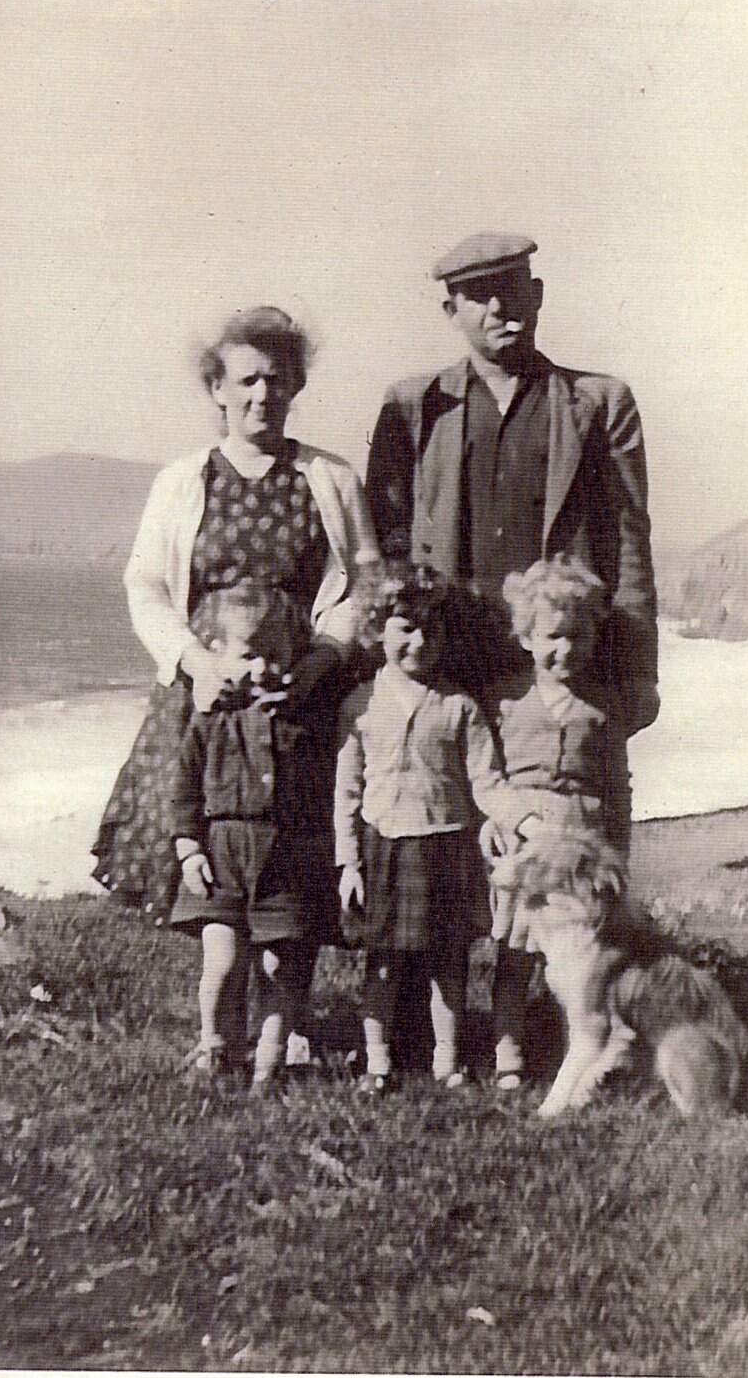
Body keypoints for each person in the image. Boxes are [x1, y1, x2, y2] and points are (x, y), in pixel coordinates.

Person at [92, 305, 379, 1059]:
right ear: (216, 389)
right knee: (216, 852)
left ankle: (288, 1025)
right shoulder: (181, 481)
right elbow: (146, 586)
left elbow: (362, 586)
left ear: (296, 386)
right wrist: (194, 661)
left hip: (300, 700)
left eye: (277, 380)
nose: (262, 395)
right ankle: (222, 1026)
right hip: (208, 699)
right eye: (246, 380)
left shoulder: (329, 478)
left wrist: (320, 662)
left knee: (295, 860)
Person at [364, 232, 659, 734]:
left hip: (562, 667)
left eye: (510, 288)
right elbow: (386, 552)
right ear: (451, 311)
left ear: (537, 294)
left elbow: (629, 545)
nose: (499, 307)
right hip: (446, 669)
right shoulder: (414, 407)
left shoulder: (601, 404)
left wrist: (638, 670)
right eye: (479, 295)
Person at [334, 564, 512, 1093]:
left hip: (447, 846)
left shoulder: (460, 706)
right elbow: (346, 793)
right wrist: (348, 863)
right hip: (383, 846)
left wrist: (509, 819)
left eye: (432, 630)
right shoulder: (361, 704)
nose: (419, 641)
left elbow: (486, 779)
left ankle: (447, 1061)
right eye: (405, 628)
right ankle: (378, 1062)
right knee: (382, 964)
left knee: (449, 963)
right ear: (377, 629)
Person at [167, 581, 335, 1091]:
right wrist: (188, 848)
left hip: (284, 857)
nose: (262, 668)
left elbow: (323, 788)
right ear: (215, 652)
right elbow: (184, 788)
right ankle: (214, 1045)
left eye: (274, 656)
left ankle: (269, 1061)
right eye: (247, 656)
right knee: (222, 961)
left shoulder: (303, 716)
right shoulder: (210, 717)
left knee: (280, 967)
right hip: (223, 854)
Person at [484, 555, 640, 1090]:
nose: (566, 649)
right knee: (515, 950)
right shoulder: (507, 701)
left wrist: (618, 855)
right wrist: (515, 819)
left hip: (584, 851)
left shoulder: (604, 707)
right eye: (553, 637)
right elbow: (488, 780)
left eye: (578, 636)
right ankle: (507, 1046)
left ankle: (580, 1042)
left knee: (583, 953)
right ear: (527, 637)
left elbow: (618, 787)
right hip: (527, 845)